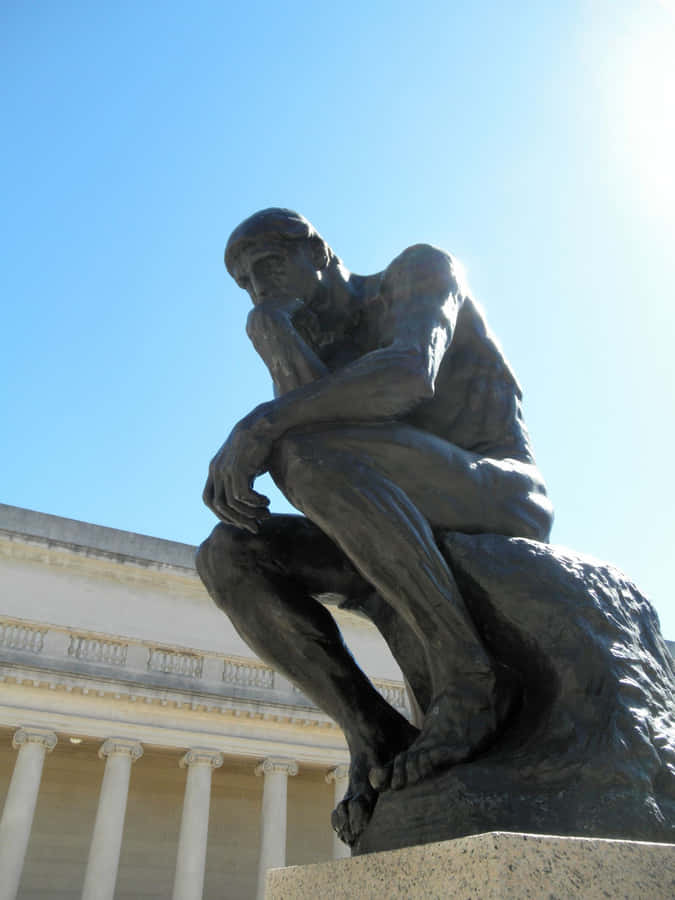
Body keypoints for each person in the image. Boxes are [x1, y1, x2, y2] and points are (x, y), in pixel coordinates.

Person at [196, 208, 553, 845]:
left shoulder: (417, 272)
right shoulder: (304, 338)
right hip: (386, 504)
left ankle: (472, 680)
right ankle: (374, 738)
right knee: (228, 556)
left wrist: (261, 424)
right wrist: (270, 330)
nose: (260, 287)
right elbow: (311, 447)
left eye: (270, 267)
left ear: (320, 252)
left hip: (495, 489)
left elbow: (408, 376)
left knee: (299, 447)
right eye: (246, 284)